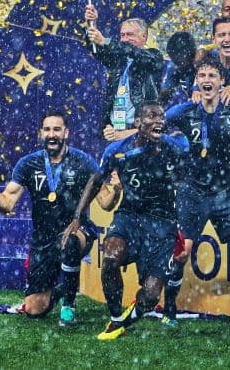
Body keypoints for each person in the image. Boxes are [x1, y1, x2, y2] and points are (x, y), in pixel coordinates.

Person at [62, 103, 190, 340]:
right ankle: (114, 316)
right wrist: (78, 216)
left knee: (151, 296)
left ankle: (125, 321)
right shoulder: (117, 151)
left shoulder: (174, 149)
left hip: (162, 223)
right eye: (152, 116)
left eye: (162, 116)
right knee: (110, 258)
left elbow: (186, 180)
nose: (159, 121)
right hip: (128, 216)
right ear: (138, 123)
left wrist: (181, 225)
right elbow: (95, 180)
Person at [163, 57, 230, 327]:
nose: (207, 80)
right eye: (202, 75)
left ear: (221, 81)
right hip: (191, 191)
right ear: (196, 81)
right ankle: (169, 311)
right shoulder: (184, 111)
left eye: (212, 76)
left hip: (224, 190)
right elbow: (157, 127)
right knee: (182, 253)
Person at [0, 111, 102, 325]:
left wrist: (117, 188)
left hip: (78, 231)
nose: (51, 134)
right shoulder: (28, 164)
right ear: (40, 134)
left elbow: (107, 202)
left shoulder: (83, 161)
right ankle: (63, 289)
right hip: (43, 240)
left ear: (66, 132)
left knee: (70, 241)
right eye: (47, 129)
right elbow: (6, 204)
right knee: (35, 309)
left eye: (57, 129)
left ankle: (69, 307)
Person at [84, 6, 165, 140]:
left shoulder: (153, 57)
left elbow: (133, 52)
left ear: (144, 37)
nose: (125, 39)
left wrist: (105, 41)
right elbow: (97, 50)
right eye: (122, 35)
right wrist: (91, 24)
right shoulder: (119, 59)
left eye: (130, 35)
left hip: (141, 131)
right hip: (115, 130)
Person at [160, 31, 197, 108]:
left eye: (178, 61)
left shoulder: (206, 63)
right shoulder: (174, 66)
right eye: (172, 58)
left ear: (190, 55)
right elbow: (165, 92)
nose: (176, 64)